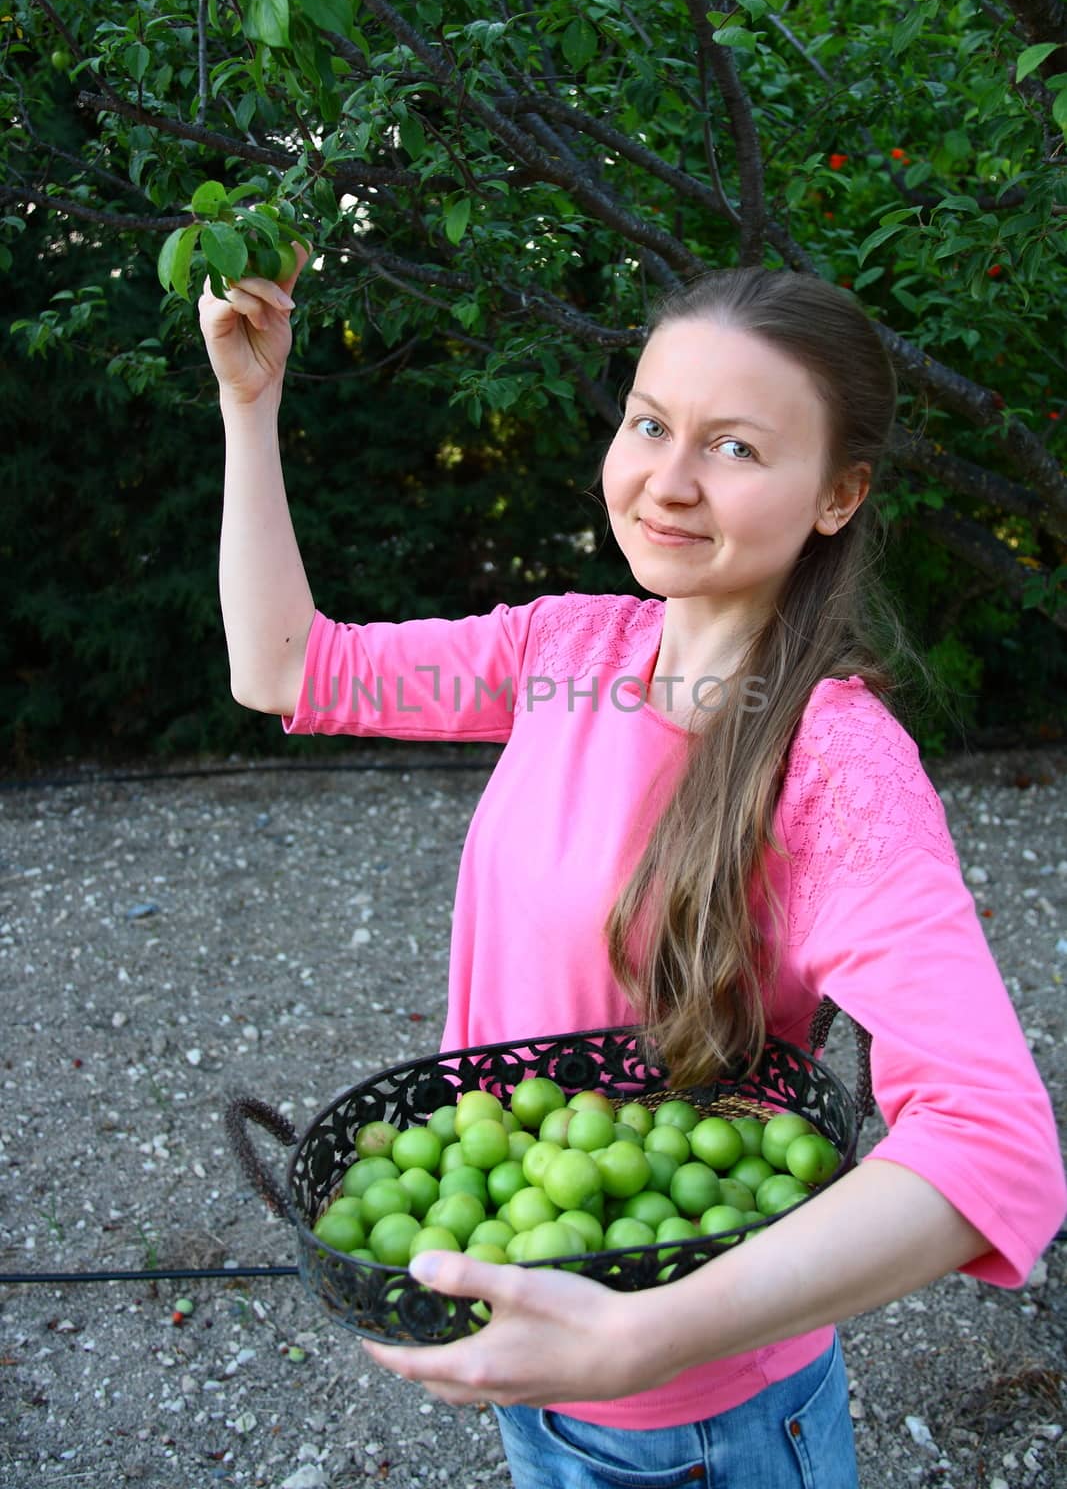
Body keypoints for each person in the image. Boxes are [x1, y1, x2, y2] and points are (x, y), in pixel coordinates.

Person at [200, 257, 1066, 1489]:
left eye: (734, 448)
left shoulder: (834, 761)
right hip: (544, 1367)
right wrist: (250, 405)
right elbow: (286, 667)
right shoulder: (562, 650)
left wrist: (637, 1336)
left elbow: (996, 1146)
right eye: (650, 422)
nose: (665, 478)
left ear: (837, 494)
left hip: (707, 1425)